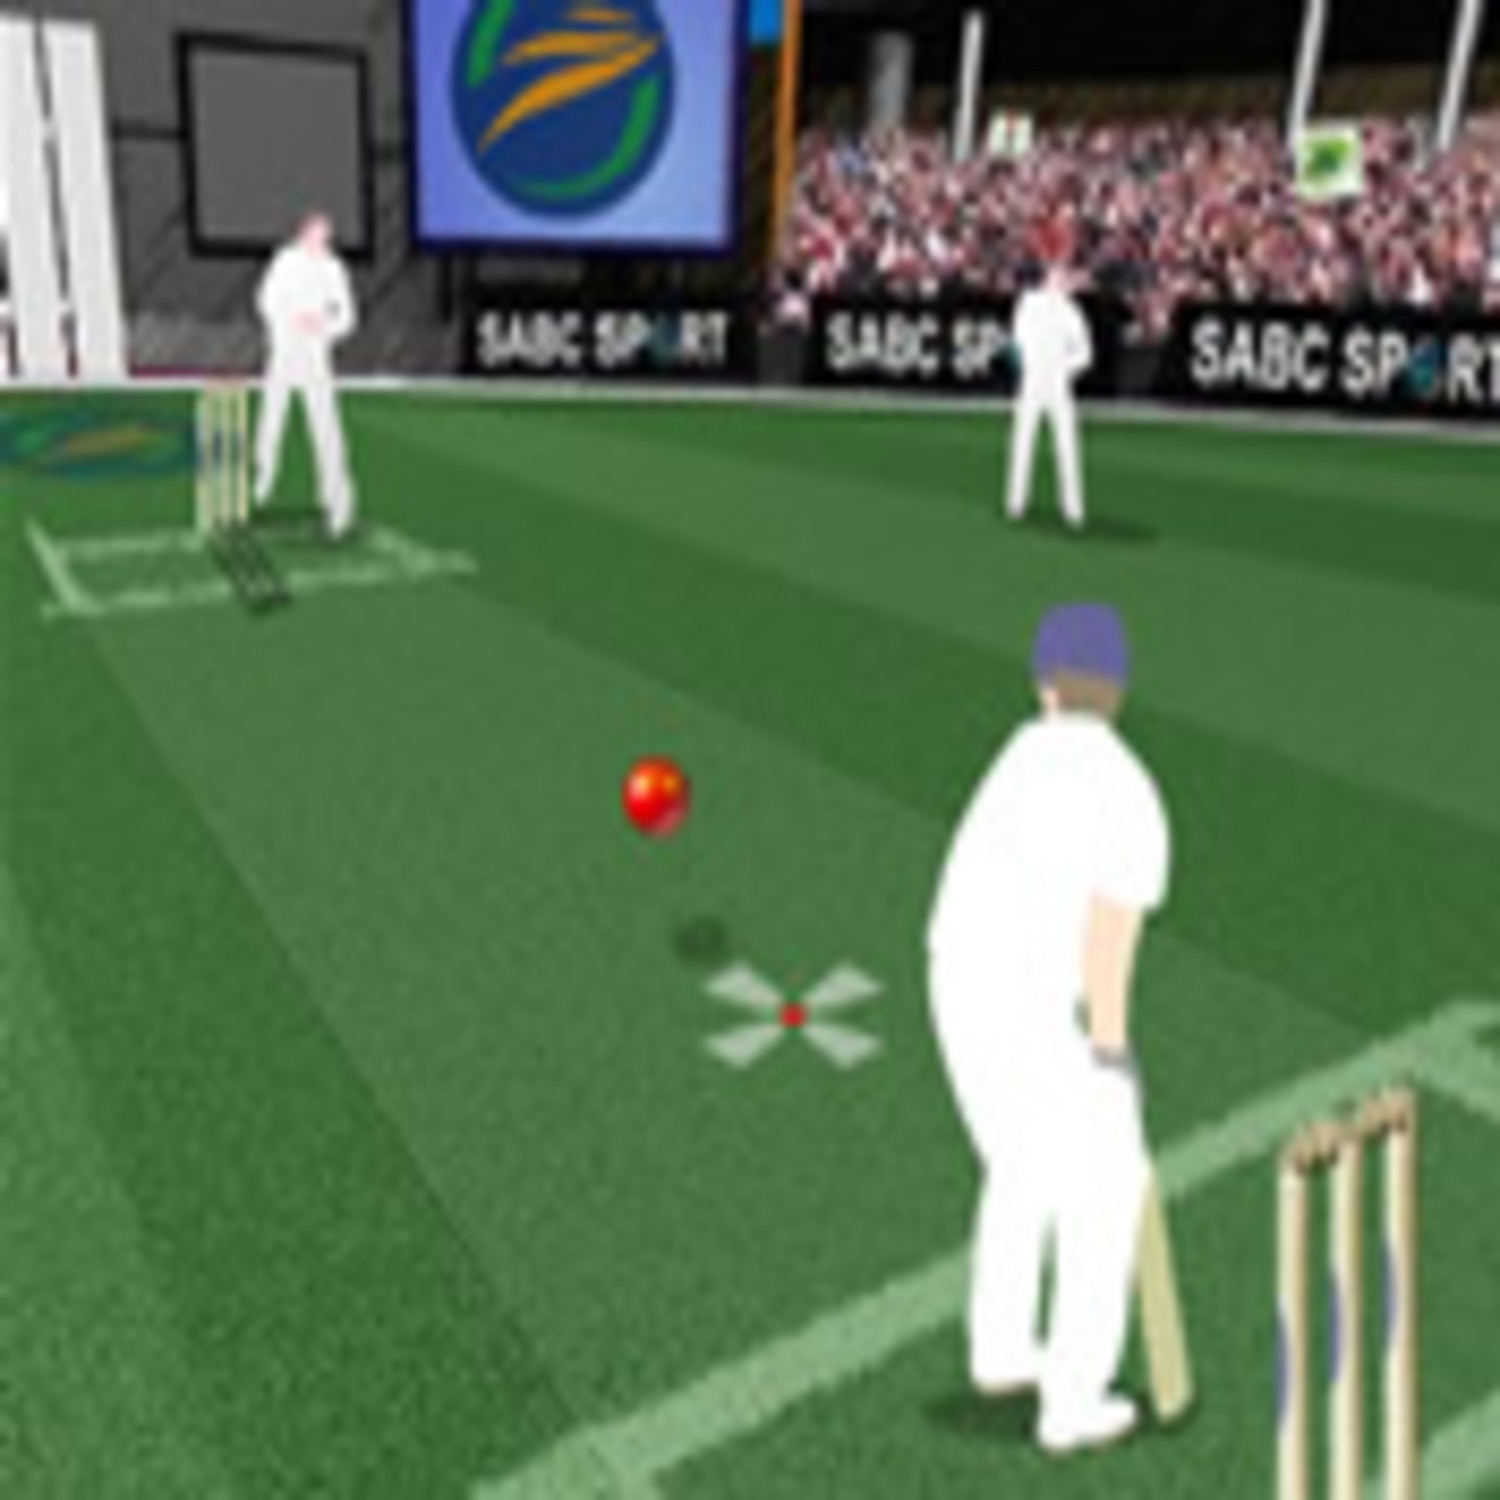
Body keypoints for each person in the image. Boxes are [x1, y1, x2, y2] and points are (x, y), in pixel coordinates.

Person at [927, 603, 1171, 1455]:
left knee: (1023, 1166)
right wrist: (1111, 1055)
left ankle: (1000, 1349)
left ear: (1045, 687)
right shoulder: (1129, 791)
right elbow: (1108, 948)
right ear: (1119, 692)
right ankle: (1073, 1400)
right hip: (1029, 1003)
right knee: (1103, 1190)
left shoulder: (1017, 756)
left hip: (954, 982)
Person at [254, 212, 358, 539]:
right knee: (271, 420)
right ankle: (262, 481)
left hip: (315, 358)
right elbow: (266, 301)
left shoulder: (334, 269)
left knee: (326, 427)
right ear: (303, 234)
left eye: (325, 238)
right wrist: (288, 322)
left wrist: (322, 325)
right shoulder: (285, 261)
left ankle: (336, 501)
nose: (321, 243)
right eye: (316, 236)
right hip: (284, 354)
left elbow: (347, 317)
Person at [1004, 258, 1093, 529]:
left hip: (1057, 385)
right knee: (1022, 443)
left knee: (1066, 446)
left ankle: (1073, 509)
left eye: (1064, 277)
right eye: (1057, 276)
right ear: (1047, 278)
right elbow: (1017, 340)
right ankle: (1015, 503)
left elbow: (1085, 354)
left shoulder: (1072, 312)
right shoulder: (1028, 303)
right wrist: (1028, 366)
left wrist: (1063, 370)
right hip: (1032, 382)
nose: (1062, 281)